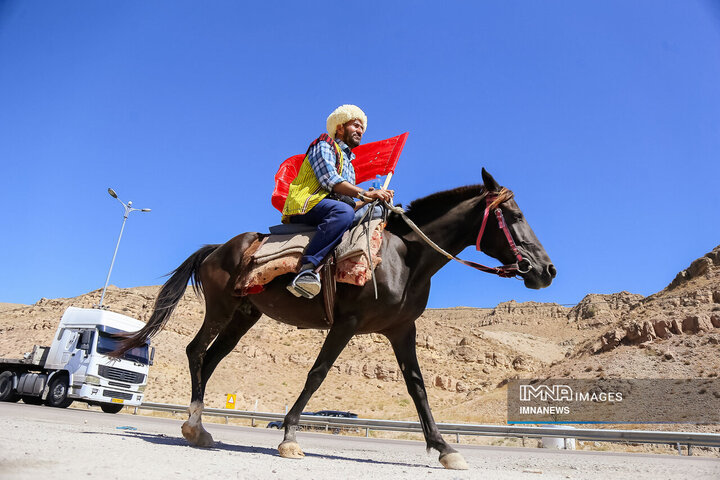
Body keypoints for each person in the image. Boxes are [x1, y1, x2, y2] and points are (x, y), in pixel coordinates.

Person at [281, 105, 394, 299]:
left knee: (378, 212)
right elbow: (330, 181)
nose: (360, 131)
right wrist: (363, 194)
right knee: (343, 212)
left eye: (362, 128)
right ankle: (307, 269)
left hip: (334, 207)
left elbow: (350, 202)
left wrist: (372, 198)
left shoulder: (349, 164)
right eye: (356, 125)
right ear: (340, 128)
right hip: (308, 203)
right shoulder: (324, 144)